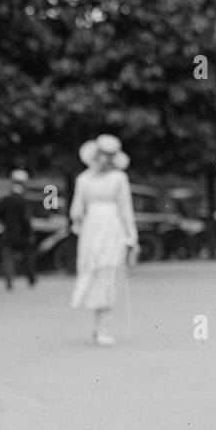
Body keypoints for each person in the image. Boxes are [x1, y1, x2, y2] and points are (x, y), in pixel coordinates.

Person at [69, 133, 138, 345]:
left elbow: (126, 209)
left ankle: (102, 327)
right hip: (92, 229)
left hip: (112, 228)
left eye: (109, 156)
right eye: (101, 155)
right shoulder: (83, 179)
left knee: (109, 272)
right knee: (92, 270)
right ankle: (97, 325)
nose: (104, 161)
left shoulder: (119, 178)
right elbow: (76, 209)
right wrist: (79, 222)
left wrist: (131, 237)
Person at [0, 168, 38, 290]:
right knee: (27, 257)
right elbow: (26, 219)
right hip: (22, 234)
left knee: (7, 258)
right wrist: (29, 233)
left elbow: (0, 215)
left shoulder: (5, 200)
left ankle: (9, 282)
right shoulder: (23, 201)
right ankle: (31, 279)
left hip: (8, 232)